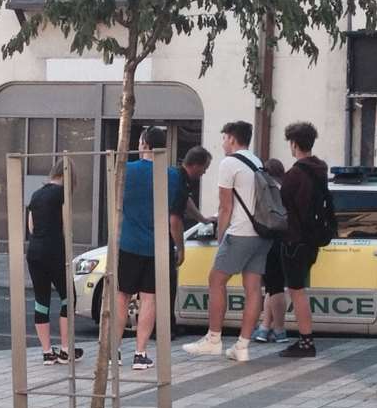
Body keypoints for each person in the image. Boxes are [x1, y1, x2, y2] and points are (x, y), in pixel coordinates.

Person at [183, 121, 271, 362]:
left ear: (232, 139)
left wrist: (220, 236)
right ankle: (242, 346)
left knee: (216, 280)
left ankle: (213, 339)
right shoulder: (257, 162)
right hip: (262, 235)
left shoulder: (229, 163)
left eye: (224, 138)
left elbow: (225, 206)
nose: (222, 143)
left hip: (240, 232)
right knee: (253, 288)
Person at [112, 127, 169, 370]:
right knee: (149, 299)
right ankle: (140, 352)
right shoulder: (169, 175)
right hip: (155, 246)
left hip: (128, 242)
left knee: (122, 296)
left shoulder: (125, 170)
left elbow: (115, 200)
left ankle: (114, 350)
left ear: (144, 144)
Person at [276, 122, 329, 358]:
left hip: (294, 240)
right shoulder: (320, 169)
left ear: (294, 144)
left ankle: (306, 341)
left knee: (296, 290)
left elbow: (281, 205)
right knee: (299, 288)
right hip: (312, 238)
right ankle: (306, 339)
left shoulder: (295, 174)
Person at [26, 161, 83, 365]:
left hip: (34, 252)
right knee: (69, 297)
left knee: (41, 301)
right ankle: (66, 349)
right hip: (55, 251)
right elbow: (65, 224)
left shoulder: (36, 195)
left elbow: (31, 227)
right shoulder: (61, 195)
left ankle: (47, 352)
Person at [168, 146, 214, 335]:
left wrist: (203, 220)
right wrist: (181, 249)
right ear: (195, 165)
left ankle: (167, 324)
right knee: (167, 284)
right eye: (205, 167)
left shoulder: (179, 177)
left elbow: (186, 202)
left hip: (156, 236)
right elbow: (175, 220)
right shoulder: (179, 181)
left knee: (166, 284)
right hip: (162, 239)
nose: (205, 172)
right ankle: (165, 327)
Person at [253, 158, 289, 344]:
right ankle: (265, 328)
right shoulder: (285, 189)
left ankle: (279, 329)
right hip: (283, 239)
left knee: (274, 287)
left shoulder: (266, 189)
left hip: (267, 238)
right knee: (273, 286)